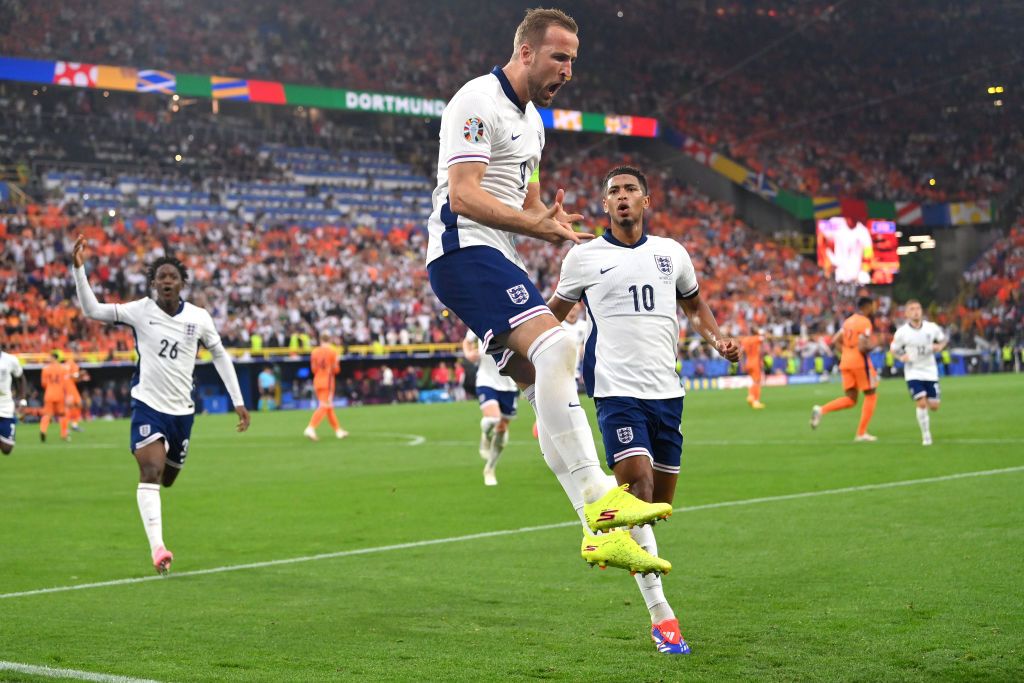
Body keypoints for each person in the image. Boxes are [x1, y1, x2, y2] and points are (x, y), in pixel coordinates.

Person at [424, 8, 671, 576]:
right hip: (462, 251)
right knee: (559, 346)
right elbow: (462, 196)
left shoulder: (533, 123)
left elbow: (528, 199)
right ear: (526, 52)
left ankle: (596, 530)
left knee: (545, 384)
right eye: (560, 57)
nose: (568, 69)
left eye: (573, 60)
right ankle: (598, 497)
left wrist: (549, 220)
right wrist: (532, 224)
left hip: (496, 254)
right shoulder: (475, 101)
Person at [548, 166, 740, 656]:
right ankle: (664, 619)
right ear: (606, 206)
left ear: (647, 200)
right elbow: (553, 314)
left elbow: (695, 306)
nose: (623, 197)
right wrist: (522, 346)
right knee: (640, 489)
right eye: (614, 192)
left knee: (655, 511)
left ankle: (598, 515)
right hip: (615, 392)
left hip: (667, 395)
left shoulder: (671, 254)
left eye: (631, 189)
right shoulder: (584, 257)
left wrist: (717, 339)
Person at [72, 235, 250, 574]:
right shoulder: (140, 311)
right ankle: (158, 548)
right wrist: (79, 269)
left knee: (167, 479)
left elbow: (220, 355)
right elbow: (92, 310)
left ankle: (159, 510)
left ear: (182, 283)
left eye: (173, 277)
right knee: (149, 470)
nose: (167, 281)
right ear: (154, 283)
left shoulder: (199, 318)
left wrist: (238, 401)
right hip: (147, 405)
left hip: (182, 412)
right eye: (161, 277)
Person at [811, 296, 879, 441]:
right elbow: (862, 346)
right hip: (859, 361)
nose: (874, 308)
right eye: (873, 305)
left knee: (851, 399)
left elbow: (835, 340)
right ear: (867, 306)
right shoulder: (865, 322)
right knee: (871, 394)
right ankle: (861, 433)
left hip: (846, 361)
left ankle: (821, 410)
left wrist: (846, 354)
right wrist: (873, 346)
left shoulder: (848, 321)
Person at [463, 329, 518, 486]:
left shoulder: (516, 315)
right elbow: (467, 341)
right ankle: (485, 436)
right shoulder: (481, 315)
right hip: (486, 380)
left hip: (509, 383)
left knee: (502, 430)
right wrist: (468, 353)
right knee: (493, 418)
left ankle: (489, 468)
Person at [890, 300, 947, 445]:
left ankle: (927, 398)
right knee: (921, 403)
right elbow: (893, 349)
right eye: (912, 309)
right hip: (913, 371)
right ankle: (926, 436)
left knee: (934, 406)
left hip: (930, 370)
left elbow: (943, 339)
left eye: (918, 308)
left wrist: (939, 347)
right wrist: (901, 357)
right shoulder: (902, 332)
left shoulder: (931, 328)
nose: (916, 311)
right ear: (907, 313)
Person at [304, 331, 347, 441]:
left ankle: (338, 431)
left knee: (328, 407)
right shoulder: (333, 352)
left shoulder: (314, 352)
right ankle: (311, 427)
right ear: (330, 340)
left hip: (317, 380)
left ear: (320, 340)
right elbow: (336, 369)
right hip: (327, 381)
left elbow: (313, 369)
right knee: (324, 406)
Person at [0, 345, 27, 455]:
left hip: (6, 407)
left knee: (7, 449)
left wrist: (22, 399)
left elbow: (21, 378)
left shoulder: (10, 360)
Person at [39, 351, 69, 442]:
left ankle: (43, 430)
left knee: (47, 414)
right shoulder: (64, 369)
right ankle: (64, 434)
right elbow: (66, 384)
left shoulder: (45, 369)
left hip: (49, 394)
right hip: (60, 394)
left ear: (53, 358)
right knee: (63, 415)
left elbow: (43, 384)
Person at [740, 331, 766, 409]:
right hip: (755, 363)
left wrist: (743, 364)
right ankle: (756, 401)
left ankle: (750, 396)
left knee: (753, 381)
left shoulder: (744, 340)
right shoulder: (756, 338)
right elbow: (763, 338)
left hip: (748, 362)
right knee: (757, 382)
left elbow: (741, 352)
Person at [63, 353, 87, 431]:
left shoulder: (76, 366)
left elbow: (75, 379)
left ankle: (74, 424)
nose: (80, 357)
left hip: (72, 387)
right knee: (69, 406)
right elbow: (67, 376)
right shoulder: (69, 363)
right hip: (67, 387)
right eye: (79, 355)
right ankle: (65, 427)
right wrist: (79, 374)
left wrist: (81, 377)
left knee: (79, 404)